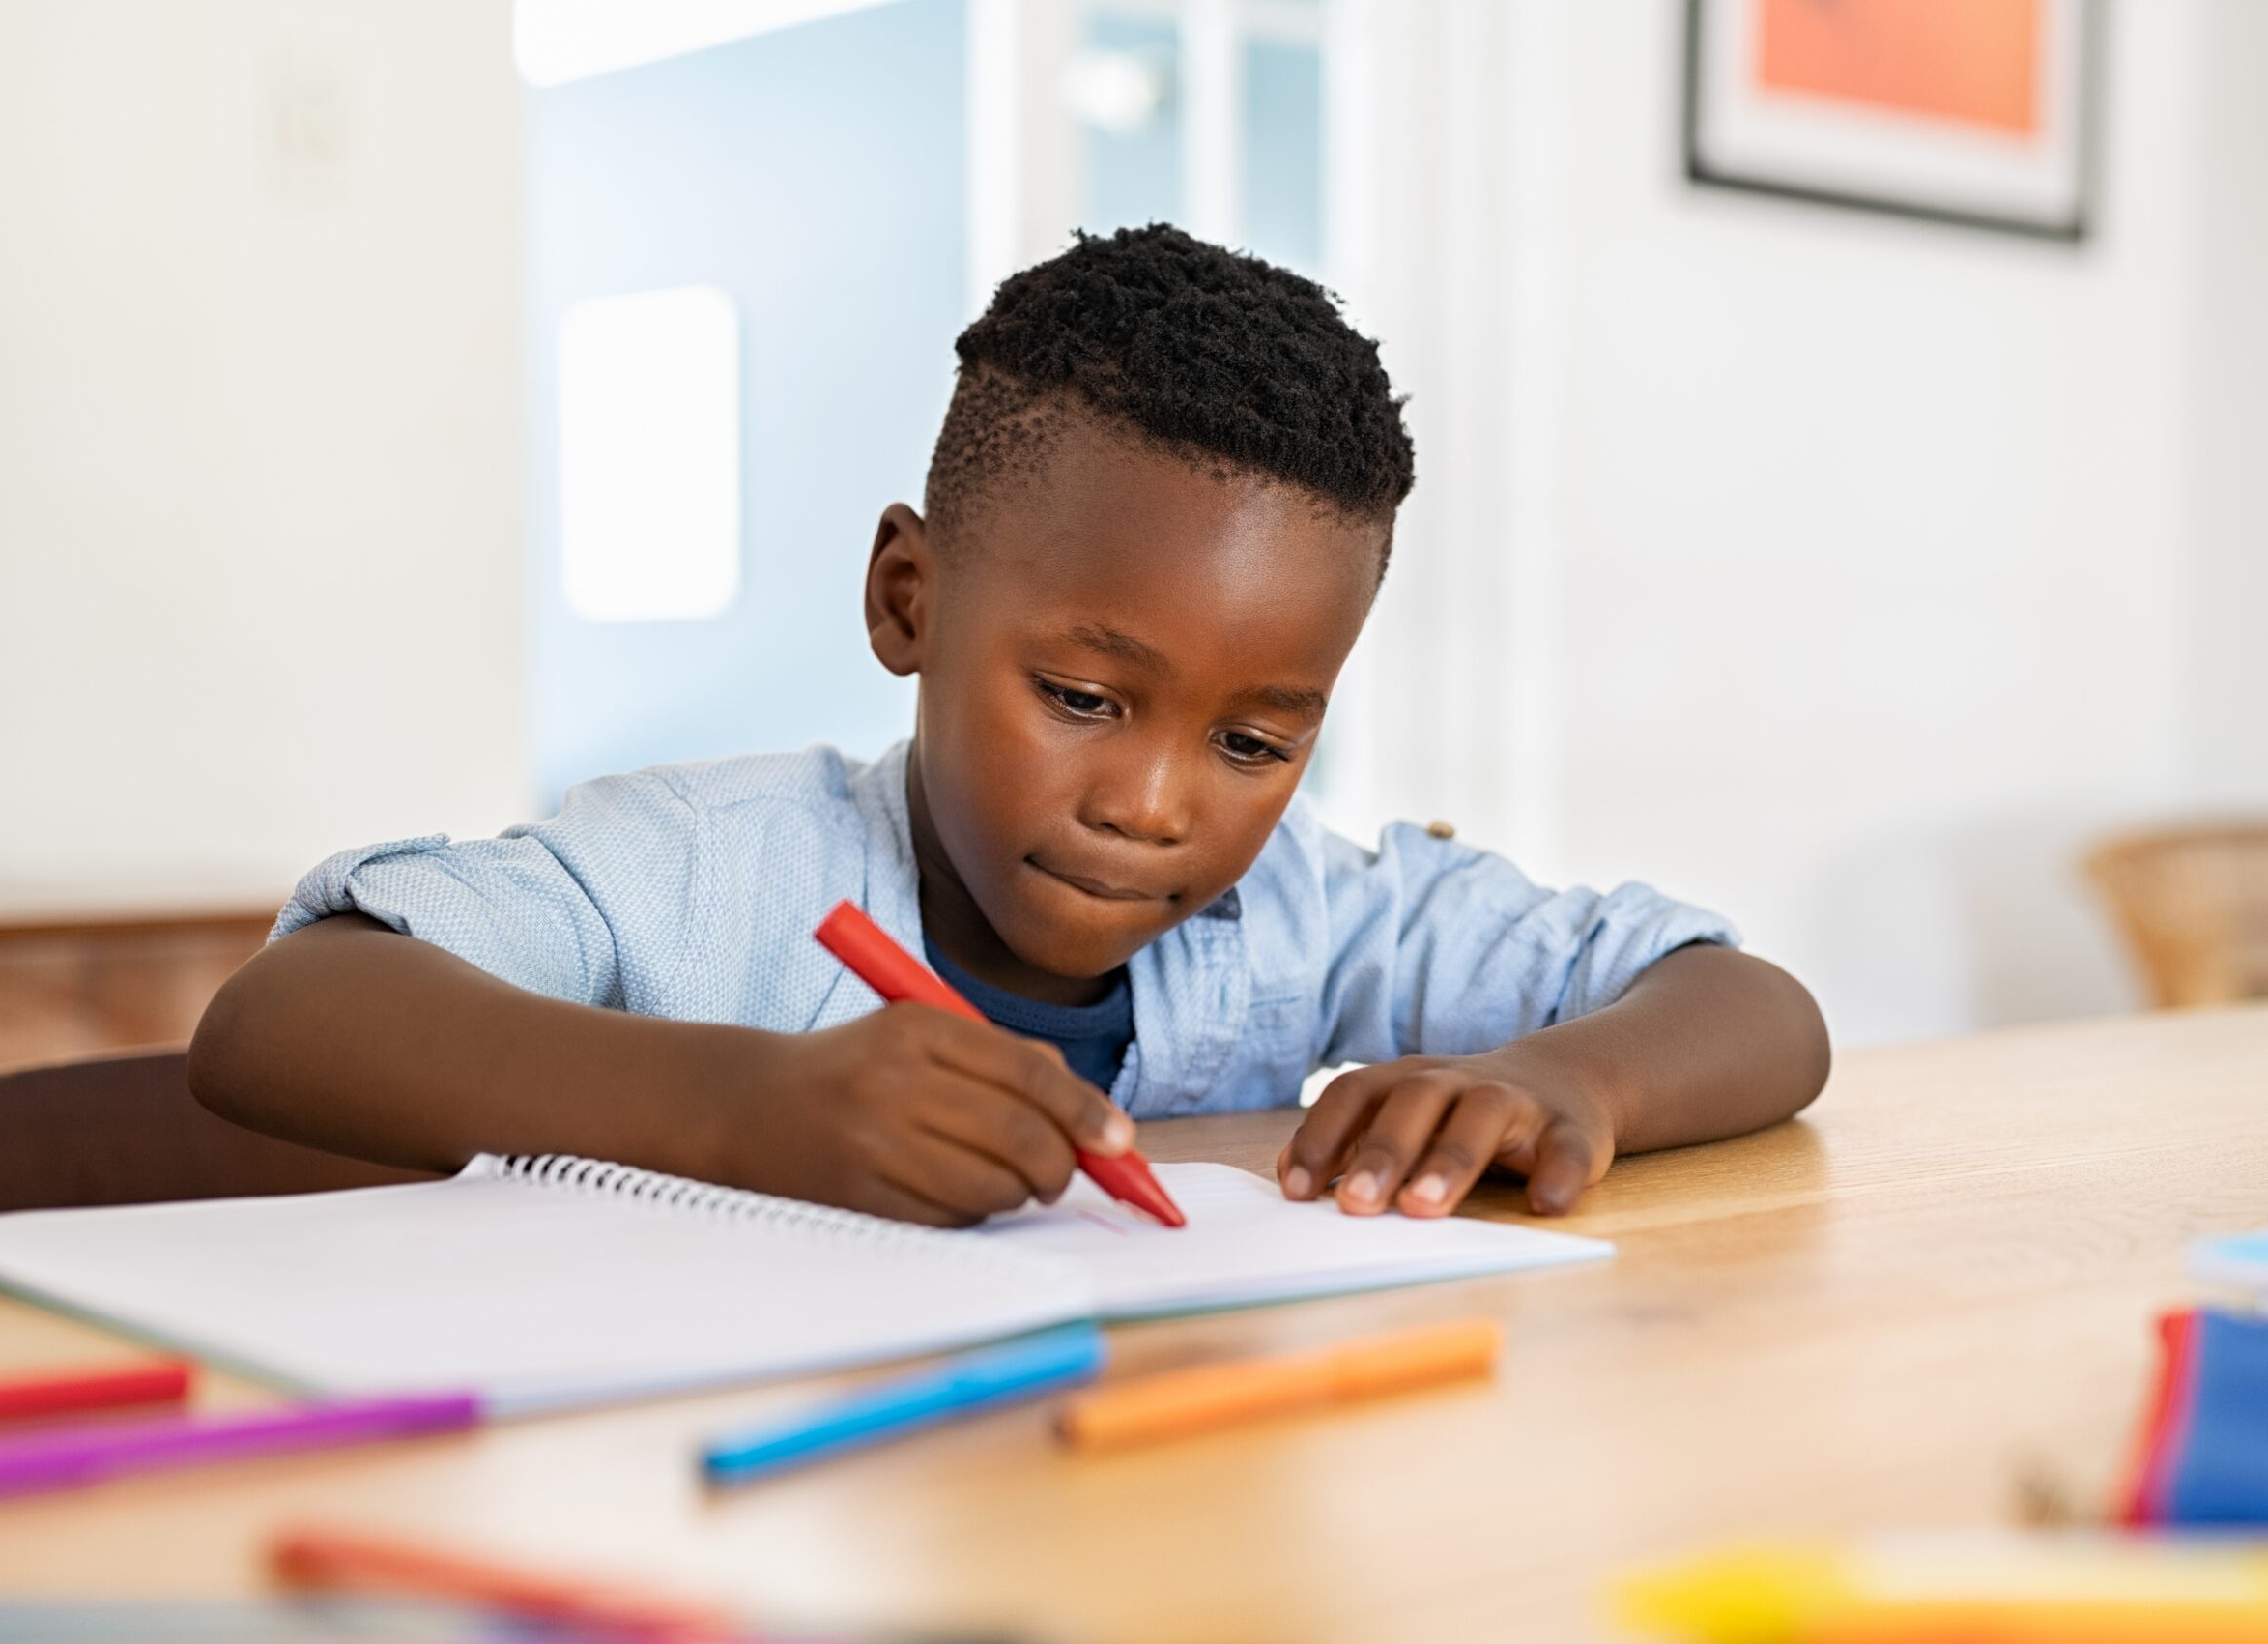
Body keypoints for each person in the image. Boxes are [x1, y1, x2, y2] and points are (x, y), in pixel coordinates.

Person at [190, 225, 1829, 1229]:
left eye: (1255, 743)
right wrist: (743, 1109)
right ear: (908, 600)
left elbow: (1753, 1009)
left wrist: (1565, 1080)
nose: (1152, 801)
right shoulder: (711, 871)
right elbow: (286, 1017)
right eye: (1081, 698)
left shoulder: (1308, 913)